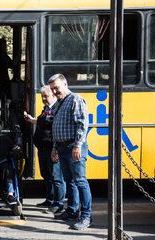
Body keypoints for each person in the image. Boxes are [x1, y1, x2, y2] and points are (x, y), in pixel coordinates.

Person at [48, 73, 92, 230]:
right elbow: (55, 127)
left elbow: (82, 124)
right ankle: (73, 211)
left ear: (65, 84)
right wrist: (55, 148)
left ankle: (86, 216)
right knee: (70, 181)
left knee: (80, 181)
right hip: (62, 147)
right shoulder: (59, 103)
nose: (54, 92)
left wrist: (78, 145)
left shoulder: (75, 99)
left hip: (73, 147)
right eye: (52, 89)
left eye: (56, 88)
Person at [24, 86, 65, 214]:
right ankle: (50, 199)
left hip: (51, 149)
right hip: (42, 149)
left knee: (56, 177)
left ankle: (59, 204)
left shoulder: (57, 110)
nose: (43, 99)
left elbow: (56, 129)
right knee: (46, 175)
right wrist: (32, 120)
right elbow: (43, 123)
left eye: (45, 96)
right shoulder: (46, 110)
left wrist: (56, 149)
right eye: (42, 96)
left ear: (53, 96)